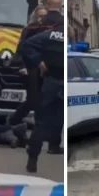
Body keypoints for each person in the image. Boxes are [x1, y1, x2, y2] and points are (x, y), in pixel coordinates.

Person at [19, 17, 64, 173]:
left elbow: (27, 45)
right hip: (63, 84)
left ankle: (32, 158)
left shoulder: (49, 35)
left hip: (50, 83)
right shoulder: (67, 38)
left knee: (42, 123)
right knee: (58, 122)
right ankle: (54, 145)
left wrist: (39, 61)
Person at [6, 5, 47, 127]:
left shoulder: (47, 30)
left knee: (39, 99)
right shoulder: (29, 29)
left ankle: (38, 125)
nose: (42, 19)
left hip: (42, 69)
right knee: (33, 99)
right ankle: (14, 120)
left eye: (44, 16)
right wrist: (22, 66)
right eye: (40, 16)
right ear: (35, 17)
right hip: (30, 68)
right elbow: (21, 50)